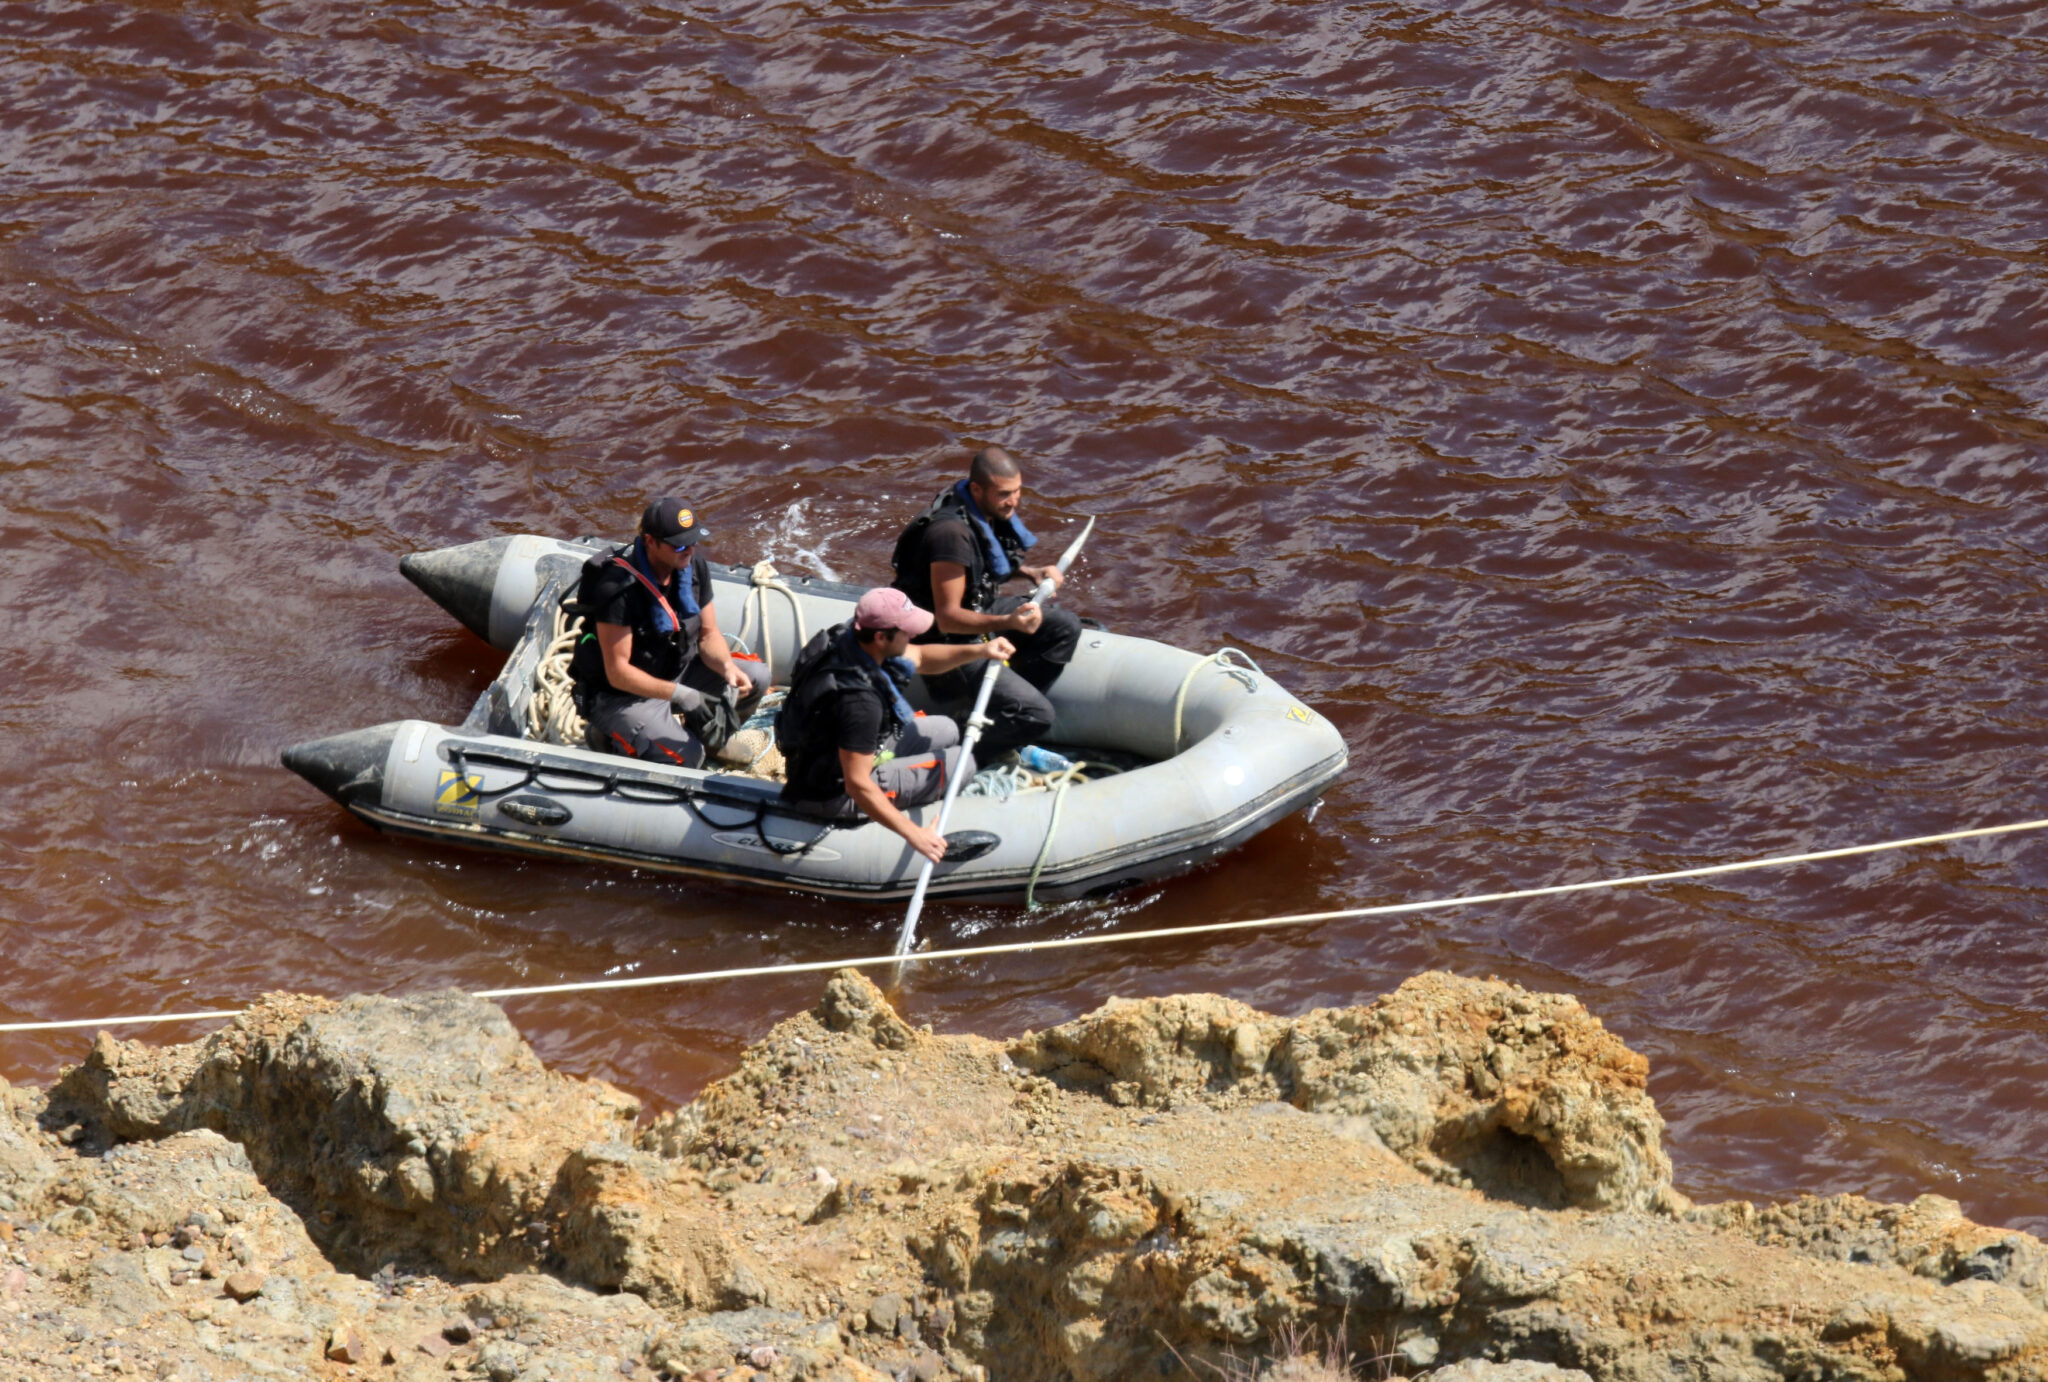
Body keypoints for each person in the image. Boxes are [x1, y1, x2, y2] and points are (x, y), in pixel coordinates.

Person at [776, 588, 1015, 864]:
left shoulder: (848, 639)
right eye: (906, 631)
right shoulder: (859, 702)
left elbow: (922, 657)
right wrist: (915, 834)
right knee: (964, 762)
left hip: (833, 750)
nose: (912, 635)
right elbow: (857, 784)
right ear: (881, 636)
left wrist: (981, 650)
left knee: (948, 729)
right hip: (832, 792)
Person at [889, 445, 1081, 756]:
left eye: (1017, 491)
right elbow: (949, 617)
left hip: (977, 612)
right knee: (1038, 715)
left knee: (1065, 626)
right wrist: (1008, 622)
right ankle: (964, 750)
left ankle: (998, 706)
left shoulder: (980, 510)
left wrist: (1032, 572)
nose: (1013, 501)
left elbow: (984, 562)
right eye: (1005, 494)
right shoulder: (949, 535)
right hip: (946, 644)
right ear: (977, 489)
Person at [569, 497, 761, 768]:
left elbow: (708, 633)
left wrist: (727, 667)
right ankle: (608, 737)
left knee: (757, 677)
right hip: (622, 696)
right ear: (650, 541)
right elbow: (618, 671)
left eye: (694, 542)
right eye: (680, 545)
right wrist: (681, 694)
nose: (690, 551)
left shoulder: (694, 567)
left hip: (674, 670)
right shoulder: (616, 589)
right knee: (689, 757)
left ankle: (711, 739)